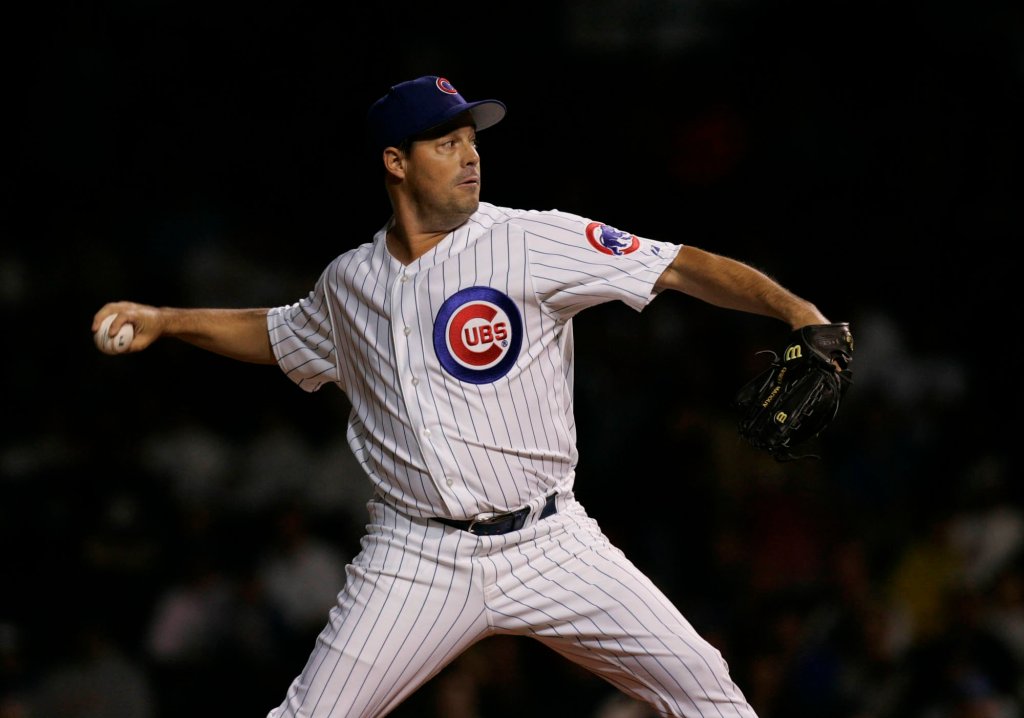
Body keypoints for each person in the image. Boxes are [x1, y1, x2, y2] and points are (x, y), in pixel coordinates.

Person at [93, 74, 843, 718]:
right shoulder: (349, 281)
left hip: (552, 543)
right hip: (415, 556)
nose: (471, 154)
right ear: (395, 161)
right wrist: (167, 320)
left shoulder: (530, 240)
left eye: (471, 139)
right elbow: (278, 333)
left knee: (710, 692)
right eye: (446, 142)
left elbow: (679, 266)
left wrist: (797, 312)